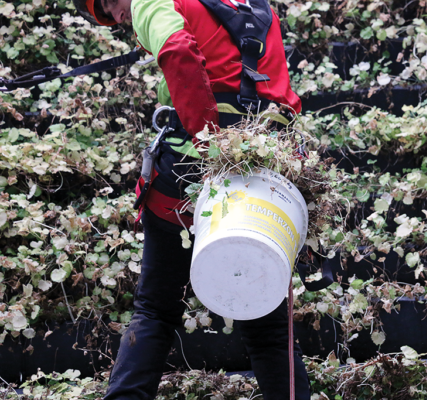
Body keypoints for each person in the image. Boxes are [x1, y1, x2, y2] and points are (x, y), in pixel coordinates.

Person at [72, 0, 310, 399]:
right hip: (262, 180)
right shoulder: (252, 4)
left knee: (156, 310)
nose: (117, 16)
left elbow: (178, 49)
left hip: (189, 174)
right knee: (267, 323)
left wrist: (211, 142)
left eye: (111, 4)